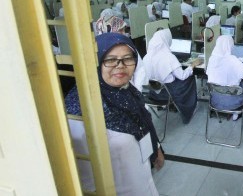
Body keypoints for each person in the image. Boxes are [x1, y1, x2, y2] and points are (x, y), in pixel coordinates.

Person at [65, 33, 163, 196]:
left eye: (128, 58)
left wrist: (156, 149)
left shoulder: (128, 91)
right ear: (96, 62)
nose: (120, 66)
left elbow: (142, 123)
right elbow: (83, 173)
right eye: (110, 60)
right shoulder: (79, 112)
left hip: (141, 179)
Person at [143, 29, 202, 124]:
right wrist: (193, 65)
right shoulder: (169, 57)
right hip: (168, 93)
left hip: (153, 94)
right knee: (190, 77)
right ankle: (191, 106)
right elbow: (182, 76)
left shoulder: (146, 57)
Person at [206, 35, 243, 120]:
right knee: (242, 84)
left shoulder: (212, 59)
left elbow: (210, 74)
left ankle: (239, 111)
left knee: (239, 83)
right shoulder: (232, 60)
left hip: (215, 101)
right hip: (232, 103)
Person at [94, 15, 147, 91]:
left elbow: (140, 72)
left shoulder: (128, 47)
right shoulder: (96, 50)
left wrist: (137, 92)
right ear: (109, 30)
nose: (124, 33)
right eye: (120, 30)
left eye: (124, 30)